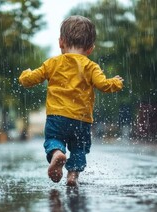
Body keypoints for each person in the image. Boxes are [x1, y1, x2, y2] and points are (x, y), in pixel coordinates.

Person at [19, 15, 124, 186]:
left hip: (57, 116)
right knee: (79, 148)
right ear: (90, 48)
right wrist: (116, 82)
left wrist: (25, 75)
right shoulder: (91, 66)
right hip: (81, 119)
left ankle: (57, 154)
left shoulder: (52, 63)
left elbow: (31, 79)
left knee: (53, 139)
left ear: (61, 43)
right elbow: (103, 85)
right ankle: (73, 175)